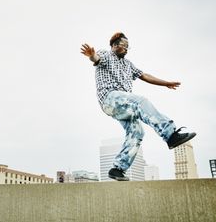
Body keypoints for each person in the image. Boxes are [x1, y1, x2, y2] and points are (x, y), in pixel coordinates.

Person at [80, 32, 196, 181]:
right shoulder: (106, 54)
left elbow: (144, 76)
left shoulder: (128, 64)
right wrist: (91, 55)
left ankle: (118, 168)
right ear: (114, 46)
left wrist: (166, 83)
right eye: (123, 46)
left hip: (124, 105)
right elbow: (96, 58)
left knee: (137, 132)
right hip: (110, 98)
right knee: (140, 102)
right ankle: (170, 135)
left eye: (128, 47)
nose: (126, 49)